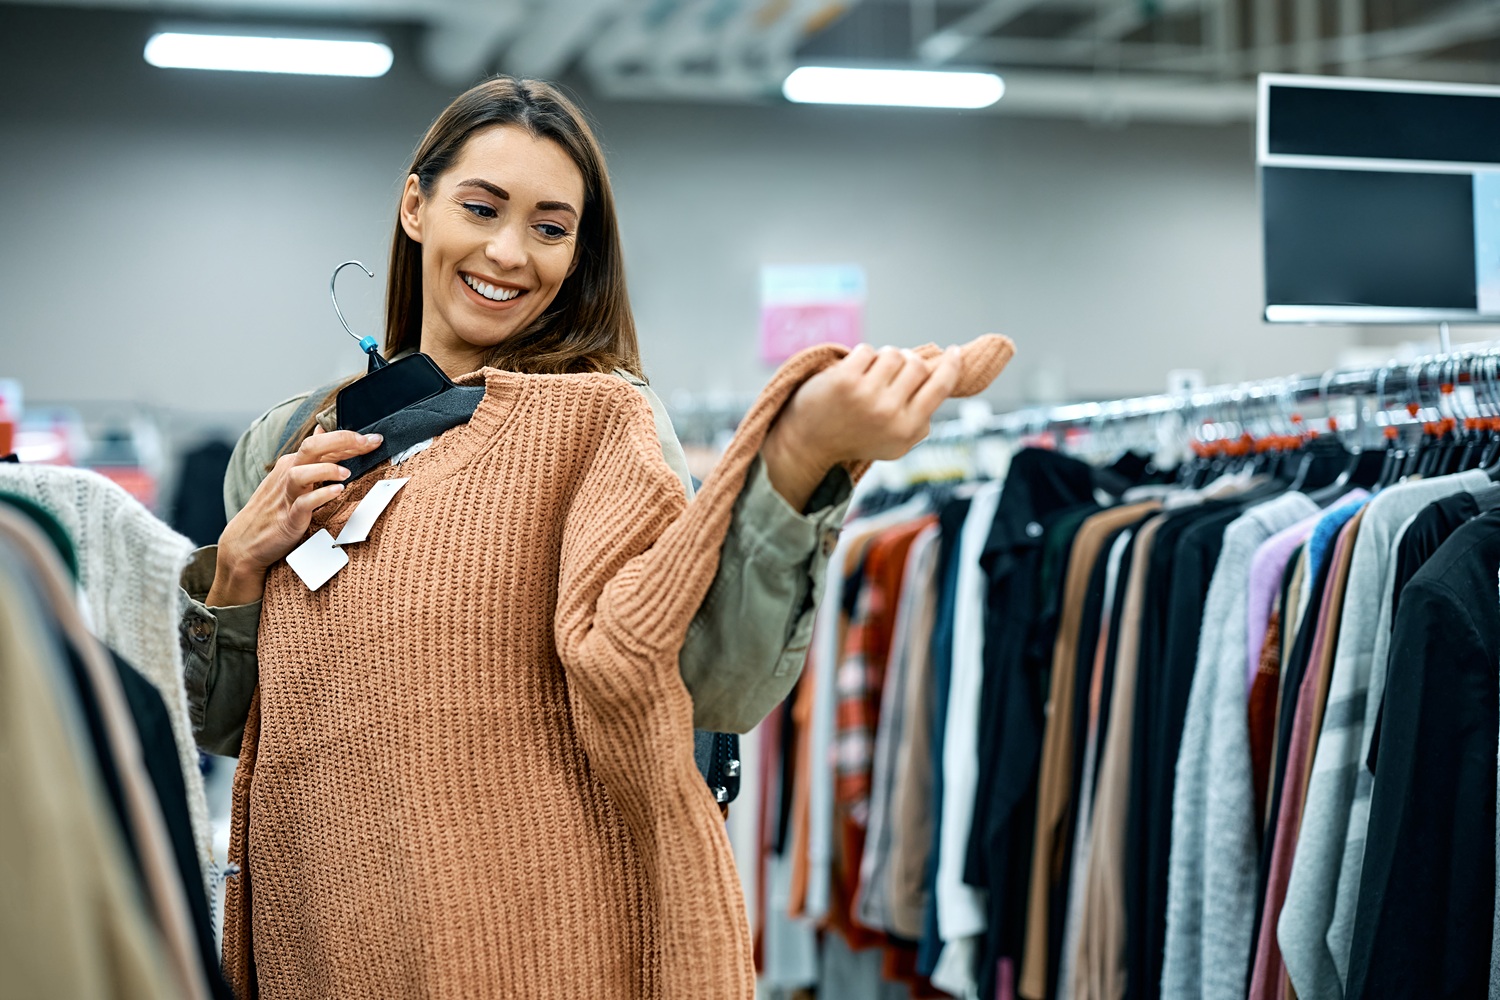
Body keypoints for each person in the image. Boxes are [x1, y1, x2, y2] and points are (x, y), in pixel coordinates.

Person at [176, 76, 994, 997]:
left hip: (527, 943)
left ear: (577, 255)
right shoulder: (290, 443)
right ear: (416, 205)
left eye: (550, 227)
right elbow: (235, 727)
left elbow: (708, 680)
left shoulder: (602, 429)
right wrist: (237, 567)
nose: (507, 252)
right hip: (325, 937)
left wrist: (800, 465)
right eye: (481, 207)